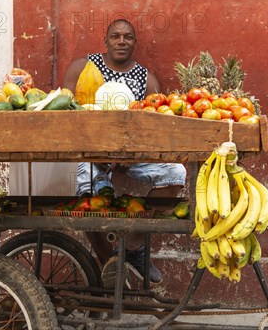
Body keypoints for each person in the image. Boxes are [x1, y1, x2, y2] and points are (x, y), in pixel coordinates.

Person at [62, 19, 187, 285]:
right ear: (106, 40)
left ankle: (133, 248)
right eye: (115, 36)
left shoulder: (147, 79)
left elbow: (156, 129)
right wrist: (98, 154)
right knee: (89, 191)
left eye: (127, 37)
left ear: (134, 43)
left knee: (176, 172)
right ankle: (111, 266)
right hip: (88, 155)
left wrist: (130, 157)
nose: (121, 41)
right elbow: (64, 117)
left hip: (133, 158)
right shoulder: (83, 68)